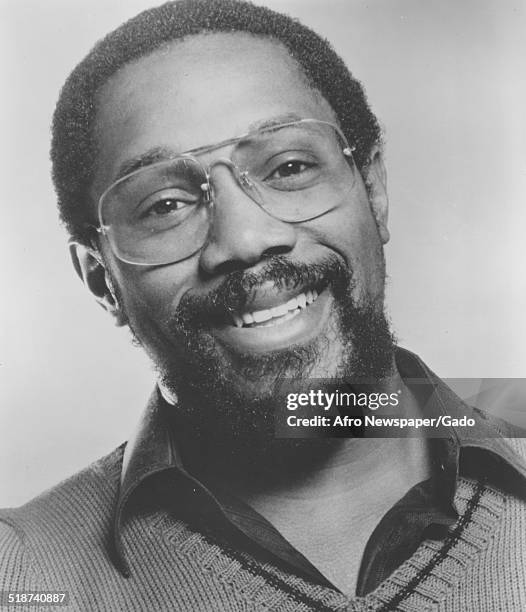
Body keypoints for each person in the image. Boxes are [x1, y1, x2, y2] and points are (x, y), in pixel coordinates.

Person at [1, 1, 525, 610]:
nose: (246, 240)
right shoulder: (19, 579)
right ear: (102, 281)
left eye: (290, 166)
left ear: (374, 191)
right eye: (165, 205)